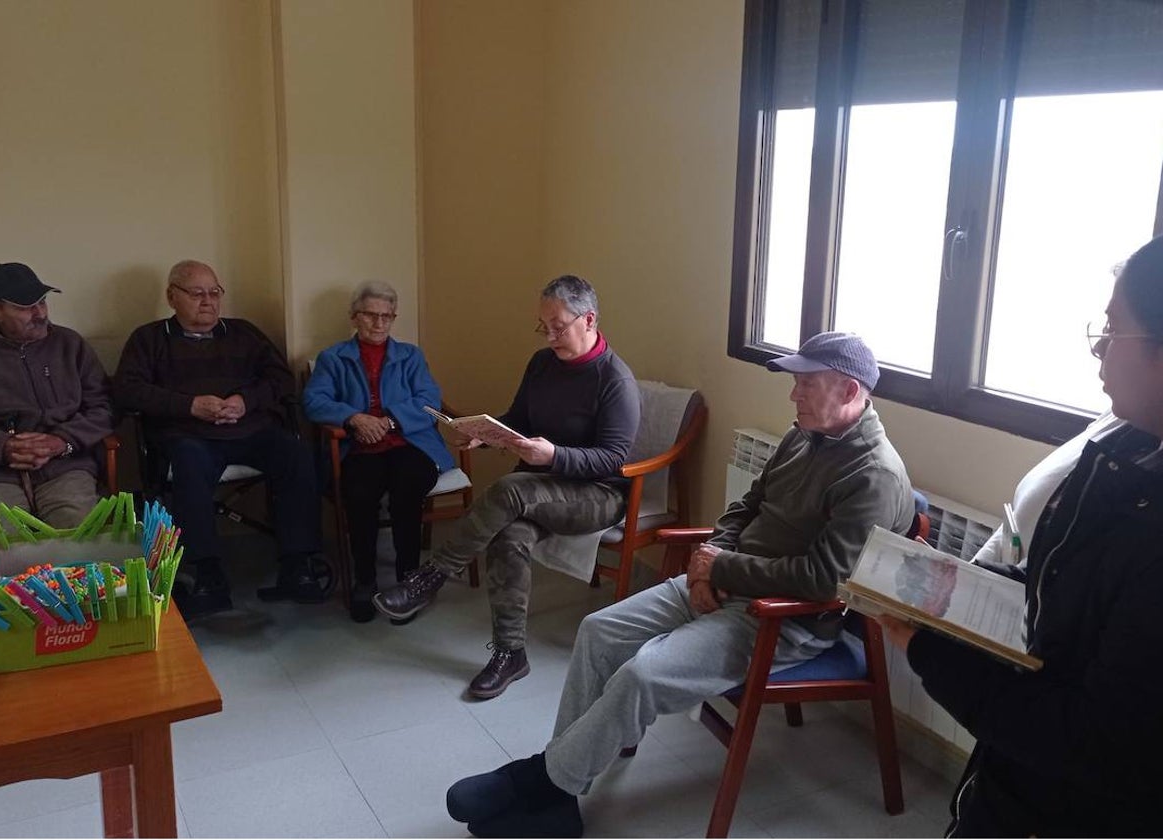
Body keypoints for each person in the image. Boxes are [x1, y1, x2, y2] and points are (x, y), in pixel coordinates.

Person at [444, 331, 914, 837]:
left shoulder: (873, 476)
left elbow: (824, 580)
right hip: (726, 579)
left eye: (806, 384)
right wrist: (706, 561)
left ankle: (546, 782)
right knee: (599, 631)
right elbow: (746, 505)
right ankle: (561, 789)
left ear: (849, 391)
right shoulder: (805, 435)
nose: (793, 395)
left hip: (782, 618)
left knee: (643, 675)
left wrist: (721, 567)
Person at [881, 235, 1163, 837]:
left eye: (1115, 329)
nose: (1100, 352)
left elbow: (1094, 742)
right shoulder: (1124, 448)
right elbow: (1055, 566)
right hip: (1011, 788)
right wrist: (976, 587)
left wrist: (929, 649)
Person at [373, 275, 641, 699]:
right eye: (543, 325)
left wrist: (553, 456)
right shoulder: (541, 363)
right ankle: (510, 653)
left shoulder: (615, 380)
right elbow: (520, 418)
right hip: (543, 484)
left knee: (512, 489)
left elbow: (613, 460)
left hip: (597, 494)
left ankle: (431, 576)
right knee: (508, 536)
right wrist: (485, 433)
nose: (549, 334)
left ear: (588, 320)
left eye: (558, 325)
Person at [113, 260, 324, 616]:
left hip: (249, 428)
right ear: (172, 296)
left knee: (297, 455)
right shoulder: (148, 339)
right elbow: (127, 391)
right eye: (196, 293)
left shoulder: (243, 333)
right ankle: (207, 572)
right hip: (188, 434)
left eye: (214, 293)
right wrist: (190, 406)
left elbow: (281, 379)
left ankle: (298, 564)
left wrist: (246, 401)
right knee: (188, 464)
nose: (208, 301)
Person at [303, 281, 455, 624]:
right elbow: (314, 401)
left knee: (409, 486)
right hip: (358, 447)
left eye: (387, 316)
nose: (379, 323)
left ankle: (408, 581)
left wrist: (388, 422)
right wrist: (354, 418)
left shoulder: (410, 356)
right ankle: (365, 580)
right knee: (359, 492)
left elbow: (428, 399)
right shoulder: (333, 358)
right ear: (354, 317)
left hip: (409, 443)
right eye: (371, 315)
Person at [0, 263, 114, 527]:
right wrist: (0, 447)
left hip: (65, 465)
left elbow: (104, 407)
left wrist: (62, 441)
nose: (40, 313)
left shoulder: (70, 345)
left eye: (42, 302)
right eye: (24, 307)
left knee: (78, 535)